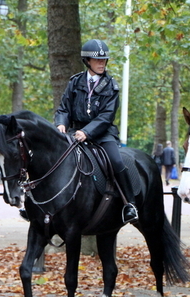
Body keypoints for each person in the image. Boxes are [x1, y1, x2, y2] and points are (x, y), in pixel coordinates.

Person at [54, 39, 138, 224]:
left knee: (116, 161)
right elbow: (64, 109)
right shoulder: (75, 82)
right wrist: (61, 124)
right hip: (75, 132)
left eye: (104, 60)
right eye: (97, 60)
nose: (102, 63)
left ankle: (129, 204)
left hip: (102, 134)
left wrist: (87, 132)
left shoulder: (111, 86)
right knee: (52, 156)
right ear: (87, 61)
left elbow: (106, 116)